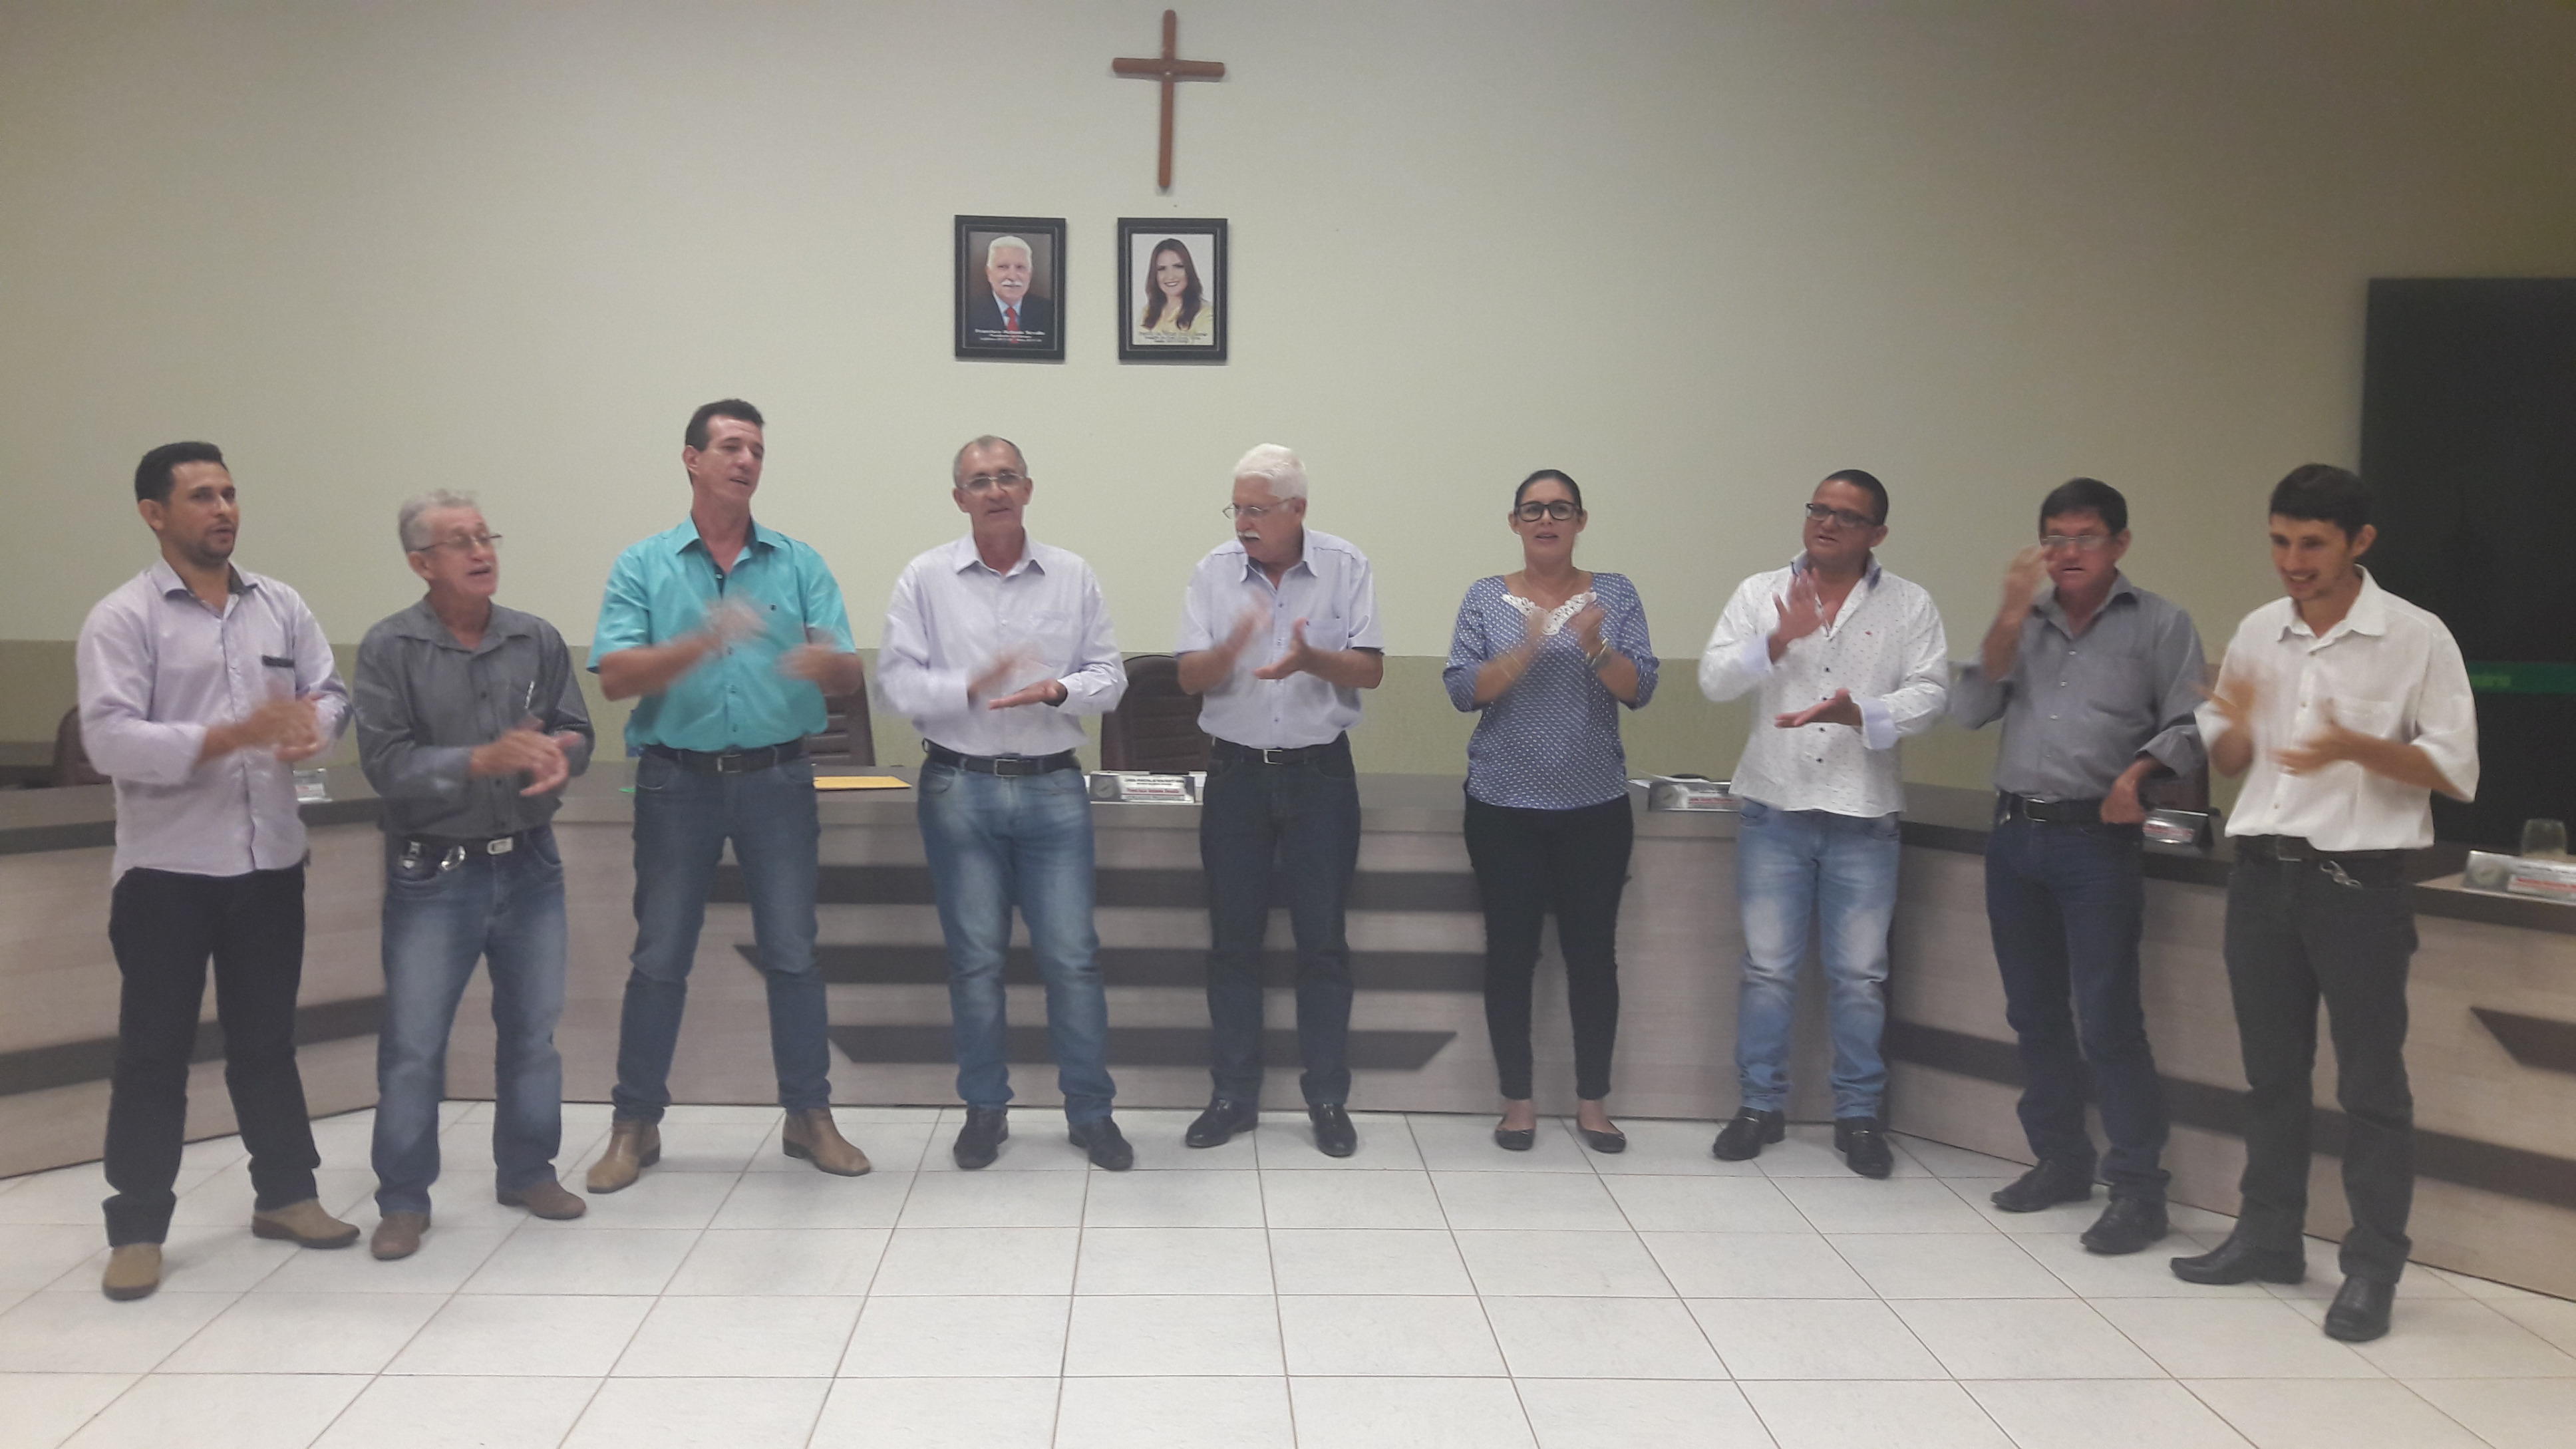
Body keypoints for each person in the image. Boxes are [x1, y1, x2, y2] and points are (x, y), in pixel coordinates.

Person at [2172, 464, 2477, 1344]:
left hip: (2357, 886)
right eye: (2278, 541)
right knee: (2271, 1075)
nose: (2291, 561)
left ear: (2358, 542)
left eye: (2311, 544)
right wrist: (2232, 721)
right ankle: (2268, 1236)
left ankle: (2372, 1268)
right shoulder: (2257, 630)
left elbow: (2455, 769)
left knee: (2371, 1086)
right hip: (2261, 876)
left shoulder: (2415, 636)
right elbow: (2230, 760)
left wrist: (2353, 746)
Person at [77, 442, 357, 1300]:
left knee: (267, 1043)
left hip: (269, 862)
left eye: (229, 493)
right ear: (154, 514)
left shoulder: (280, 604)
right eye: (201, 496)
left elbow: (330, 690)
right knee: (154, 1054)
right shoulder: (122, 618)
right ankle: (137, 1229)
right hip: (167, 873)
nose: (224, 509)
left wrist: (317, 727)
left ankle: (287, 1196)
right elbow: (108, 739)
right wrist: (228, 736)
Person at [586, 399, 874, 1193]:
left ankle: (809, 1117)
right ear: (692, 459)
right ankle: (634, 1124)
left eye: (756, 450)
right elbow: (614, 678)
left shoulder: (797, 563)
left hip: (777, 779)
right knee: (659, 957)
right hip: (675, 780)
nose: (747, 461)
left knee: (793, 953)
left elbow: (848, 671)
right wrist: (700, 642)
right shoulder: (643, 564)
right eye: (731, 447)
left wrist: (829, 667)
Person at [1949, 478, 2205, 1255]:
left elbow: (2190, 726)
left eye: (2083, 538)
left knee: (2106, 1019)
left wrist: (2136, 777)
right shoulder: (2022, 620)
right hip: (2014, 837)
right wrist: (2006, 612)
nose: (2066, 553)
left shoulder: (2159, 623)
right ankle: (2060, 1161)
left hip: (2096, 840)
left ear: (2118, 544)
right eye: (2053, 538)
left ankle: (2137, 1189)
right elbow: (1969, 709)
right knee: (2032, 1013)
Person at [353, 491, 595, 1260]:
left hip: (529, 864)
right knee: (415, 1045)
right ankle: (402, 1200)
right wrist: (478, 760)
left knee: (533, 1035)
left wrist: (562, 755)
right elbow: (386, 766)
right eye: (460, 541)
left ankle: (528, 1171)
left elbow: (577, 728)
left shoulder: (535, 637)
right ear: (421, 564)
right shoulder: (389, 648)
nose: (480, 551)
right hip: (434, 873)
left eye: (485, 536)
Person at [880, 435, 1134, 1170]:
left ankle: (1091, 1113)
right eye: (979, 481)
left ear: (1027, 488)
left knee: (1072, 960)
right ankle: (984, 1110)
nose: (994, 490)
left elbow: (1111, 678)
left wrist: (1060, 689)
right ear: (958, 498)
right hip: (959, 787)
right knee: (975, 963)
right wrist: (965, 684)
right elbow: (895, 684)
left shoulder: (1072, 575)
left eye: (1006, 477)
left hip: (1053, 787)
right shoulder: (925, 578)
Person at [1699, 469, 1949, 1178]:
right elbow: (1715, 680)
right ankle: (1758, 1107)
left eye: (1847, 516)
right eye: (1819, 509)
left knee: (1860, 977)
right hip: (1774, 809)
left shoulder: (1909, 604)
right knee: (1767, 972)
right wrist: (1777, 639)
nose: (1827, 523)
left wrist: (1863, 713)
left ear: (1877, 533)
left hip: (1863, 817)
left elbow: (1932, 695)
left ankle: (1858, 1116)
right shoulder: (1760, 593)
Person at [1174, 445, 1382, 1157]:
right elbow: (1188, 678)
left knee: (1321, 943)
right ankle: (1233, 1097)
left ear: (1297, 510)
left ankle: (1326, 1099)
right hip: (1235, 775)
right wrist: (1229, 648)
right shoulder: (1212, 572)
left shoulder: (1346, 566)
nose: (1243, 523)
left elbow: (1370, 670)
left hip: (1320, 776)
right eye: (1236, 508)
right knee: (1232, 943)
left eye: (1257, 509)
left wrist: (1311, 660)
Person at [1444, 470, 1657, 1154]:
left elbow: (1640, 688)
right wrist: (1528, 646)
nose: (1546, 520)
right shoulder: (1486, 597)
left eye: (1560, 509)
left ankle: (1593, 1104)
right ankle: (1518, 1104)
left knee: (1592, 956)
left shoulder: (1614, 593)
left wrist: (1593, 646)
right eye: (1532, 510)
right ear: (1514, 522)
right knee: (1510, 955)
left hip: (1594, 805)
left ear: (1580, 521)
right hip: (1502, 805)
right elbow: (1464, 691)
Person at [966, 236, 1055, 344]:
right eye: (1003, 267)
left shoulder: (1050, 313)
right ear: (989, 273)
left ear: (1030, 274)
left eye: (1020, 267)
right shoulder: (968, 313)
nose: (1012, 277)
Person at [1137, 238, 1214, 339]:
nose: (1170, 276)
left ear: (1189, 270)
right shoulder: (1147, 313)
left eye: (1178, 266)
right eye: (1162, 269)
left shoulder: (1206, 316)